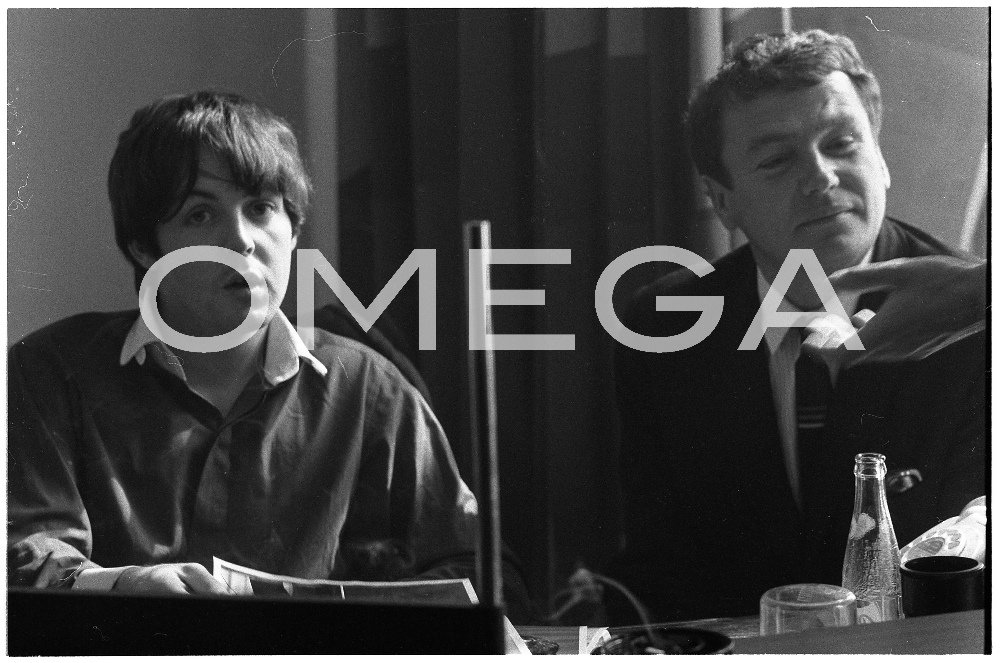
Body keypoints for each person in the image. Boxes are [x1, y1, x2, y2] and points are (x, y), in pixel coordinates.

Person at [8, 91, 532, 619]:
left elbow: (479, 570)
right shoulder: (49, 372)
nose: (241, 240)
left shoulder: (367, 386)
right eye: (199, 215)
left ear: (294, 229)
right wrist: (122, 587)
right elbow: (21, 552)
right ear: (145, 248)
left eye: (260, 208)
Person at [606, 30, 986, 623]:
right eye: (777, 160)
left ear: (881, 159)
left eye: (841, 143)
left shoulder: (976, 311)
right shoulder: (662, 327)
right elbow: (655, 568)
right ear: (722, 201)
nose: (821, 177)